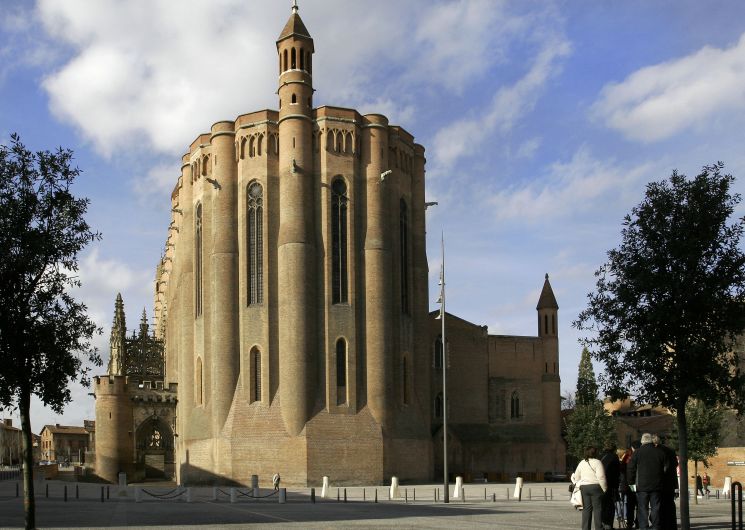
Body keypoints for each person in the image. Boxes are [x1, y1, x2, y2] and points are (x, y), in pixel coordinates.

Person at [628, 433, 666, 530]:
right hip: (656, 485)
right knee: (655, 508)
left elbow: (631, 468)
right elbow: (666, 468)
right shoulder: (660, 452)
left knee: (642, 508)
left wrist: (631, 483)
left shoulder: (637, 452)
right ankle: (656, 526)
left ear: (642, 441)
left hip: (641, 486)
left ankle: (643, 526)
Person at [572, 446, 608, 530]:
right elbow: (601, 477)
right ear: (595, 453)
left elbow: (576, 477)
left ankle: (585, 528)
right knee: (597, 509)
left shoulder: (582, 462)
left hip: (584, 488)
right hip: (595, 487)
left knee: (586, 509)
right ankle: (598, 528)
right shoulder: (598, 462)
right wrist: (604, 488)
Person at [652, 434, 677, 530]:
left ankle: (662, 524)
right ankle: (671, 525)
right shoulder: (670, 450)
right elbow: (676, 463)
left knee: (660, 504)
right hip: (671, 481)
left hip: (661, 481)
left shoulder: (657, 451)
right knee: (670, 504)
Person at [600, 442, 620, 530]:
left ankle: (603, 523)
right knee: (610, 506)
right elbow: (617, 472)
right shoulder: (614, 457)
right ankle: (609, 525)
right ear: (614, 449)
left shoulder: (601, 456)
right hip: (611, 484)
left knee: (603, 505)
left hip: (602, 483)